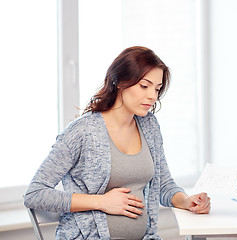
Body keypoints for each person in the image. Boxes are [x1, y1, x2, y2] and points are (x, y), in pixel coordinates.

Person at [24, 46, 211, 240]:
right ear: (120, 82)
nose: (153, 96)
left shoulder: (149, 126)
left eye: (157, 89)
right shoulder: (82, 131)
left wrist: (187, 201)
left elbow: (163, 184)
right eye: (144, 86)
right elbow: (35, 194)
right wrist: (101, 202)